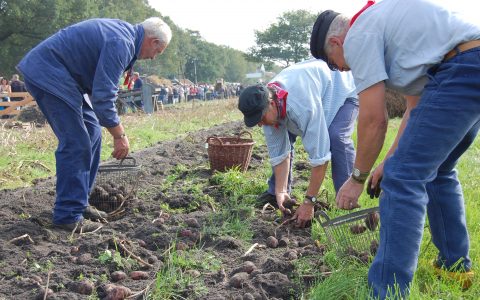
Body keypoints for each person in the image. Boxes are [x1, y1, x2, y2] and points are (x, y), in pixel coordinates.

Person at [310, 0, 479, 298]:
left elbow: (374, 119)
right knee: (436, 169)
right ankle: (455, 268)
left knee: (403, 181)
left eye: (334, 62)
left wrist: (357, 179)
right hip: (468, 65)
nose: (341, 69)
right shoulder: (384, 26)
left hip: (462, 68)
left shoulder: (359, 34)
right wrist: (387, 160)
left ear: (337, 42)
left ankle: (387, 291)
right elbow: (415, 111)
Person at [17, 17, 172, 233]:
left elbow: (98, 86)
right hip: (49, 74)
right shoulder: (122, 42)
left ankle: (80, 203)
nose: (155, 57)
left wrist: (110, 125)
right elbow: (103, 96)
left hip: (66, 79)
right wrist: (119, 135)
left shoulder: (125, 38)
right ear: (154, 41)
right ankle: (67, 216)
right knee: (77, 142)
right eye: (159, 51)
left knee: (92, 133)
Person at [238, 59, 358, 227]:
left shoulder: (302, 108)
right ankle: (277, 194)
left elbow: (320, 159)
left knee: (336, 136)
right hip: (314, 91)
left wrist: (309, 202)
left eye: (260, 119)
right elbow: (280, 155)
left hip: (343, 89)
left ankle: (347, 199)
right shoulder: (268, 108)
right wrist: (281, 191)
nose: (260, 124)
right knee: (282, 128)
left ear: (272, 104)